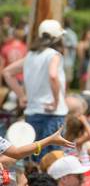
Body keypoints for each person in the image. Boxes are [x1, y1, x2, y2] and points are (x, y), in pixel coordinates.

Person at [2, 20, 70, 158]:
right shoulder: (54, 55)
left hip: (32, 113)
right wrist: (56, 102)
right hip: (52, 114)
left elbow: (7, 72)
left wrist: (21, 96)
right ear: (57, 37)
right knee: (52, 159)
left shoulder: (31, 55)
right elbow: (53, 75)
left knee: (34, 157)